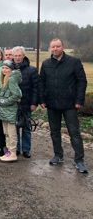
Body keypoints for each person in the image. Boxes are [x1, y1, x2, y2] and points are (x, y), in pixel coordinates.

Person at [39, 38, 88, 173]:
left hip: (70, 104)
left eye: (57, 46)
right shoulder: (46, 63)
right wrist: (42, 99)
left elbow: (82, 81)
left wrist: (79, 100)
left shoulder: (74, 62)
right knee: (54, 132)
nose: (55, 49)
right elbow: (41, 83)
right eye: (52, 47)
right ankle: (58, 155)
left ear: (63, 47)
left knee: (74, 133)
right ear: (50, 48)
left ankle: (79, 160)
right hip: (52, 104)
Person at [12, 46, 38, 158]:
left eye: (19, 55)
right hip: (13, 104)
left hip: (27, 104)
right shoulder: (9, 69)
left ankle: (26, 149)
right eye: (15, 56)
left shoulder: (31, 70)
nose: (17, 58)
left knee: (26, 128)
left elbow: (36, 88)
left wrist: (34, 103)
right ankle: (16, 148)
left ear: (23, 56)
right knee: (14, 128)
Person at [0, 60, 22, 162]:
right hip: (4, 112)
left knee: (11, 133)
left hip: (10, 111)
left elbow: (17, 95)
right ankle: (8, 153)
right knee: (6, 132)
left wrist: (4, 101)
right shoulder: (4, 79)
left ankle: (13, 153)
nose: (4, 70)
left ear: (11, 70)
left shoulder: (11, 79)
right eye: (3, 68)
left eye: (7, 68)